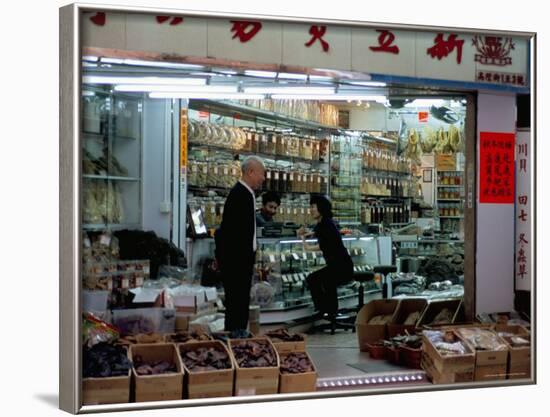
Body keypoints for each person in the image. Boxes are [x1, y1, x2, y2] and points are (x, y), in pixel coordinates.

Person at [215, 156, 265, 334]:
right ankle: (236, 336)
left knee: (241, 300)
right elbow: (231, 232)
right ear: (250, 172)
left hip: (241, 258)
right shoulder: (239, 194)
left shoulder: (246, 194)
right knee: (237, 300)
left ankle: (238, 335)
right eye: (261, 174)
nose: (263, 178)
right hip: (236, 260)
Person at [298, 195, 353, 319]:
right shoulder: (326, 223)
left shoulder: (325, 225)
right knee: (323, 280)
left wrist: (305, 241)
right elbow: (324, 243)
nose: (311, 210)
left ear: (321, 208)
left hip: (340, 268)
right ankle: (328, 311)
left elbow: (320, 240)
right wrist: (307, 241)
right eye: (310, 207)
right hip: (341, 266)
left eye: (313, 207)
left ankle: (324, 310)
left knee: (313, 279)